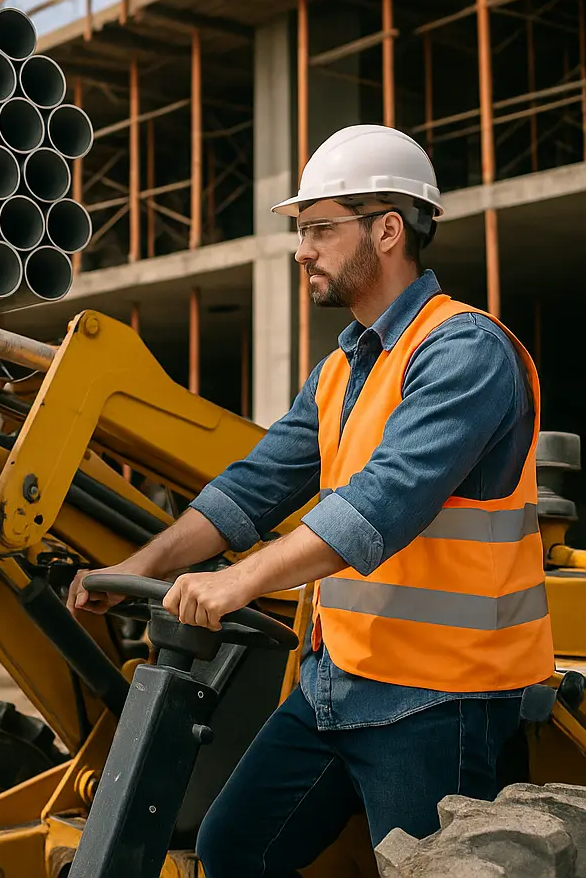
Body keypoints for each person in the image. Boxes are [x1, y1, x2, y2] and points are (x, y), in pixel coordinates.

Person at [66, 125, 553, 877]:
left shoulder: (465, 351)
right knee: (232, 847)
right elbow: (252, 488)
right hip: (335, 687)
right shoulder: (342, 369)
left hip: (437, 700)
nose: (302, 250)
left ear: (388, 230)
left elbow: (381, 503)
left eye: (320, 228)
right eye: (301, 232)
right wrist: (144, 563)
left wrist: (239, 581)